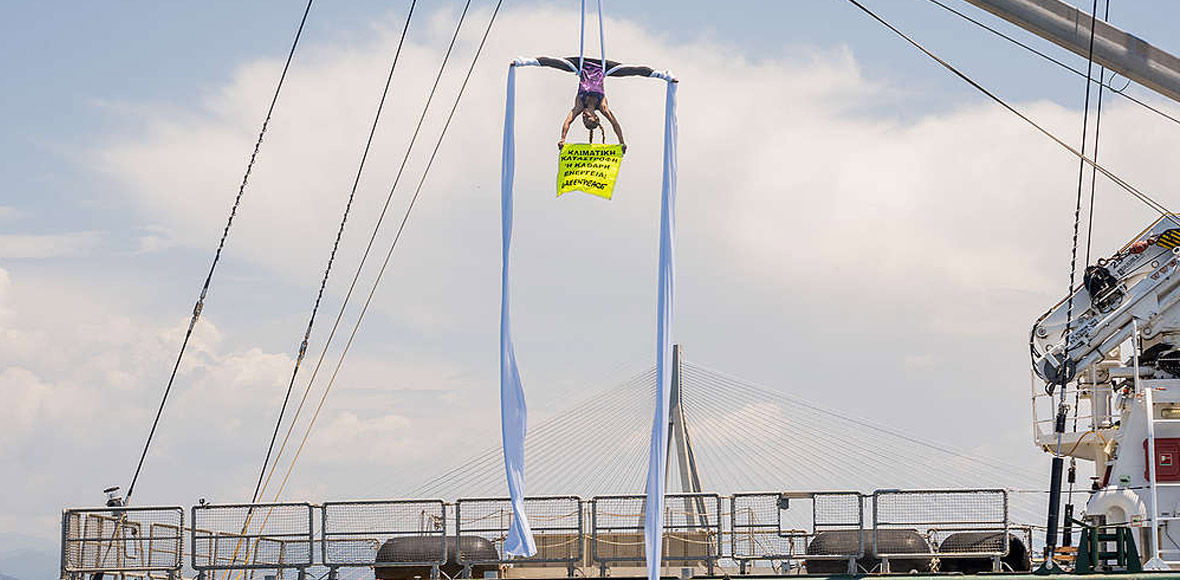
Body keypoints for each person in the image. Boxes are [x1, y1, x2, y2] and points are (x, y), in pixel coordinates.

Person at [558, 60, 626, 152]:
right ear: (596, 117)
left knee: (556, 63)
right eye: (588, 118)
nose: (584, 116)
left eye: (584, 120)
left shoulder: (580, 105)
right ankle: (648, 72)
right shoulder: (602, 106)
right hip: (601, 66)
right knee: (631, 70)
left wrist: (562, 138)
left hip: (583, 64)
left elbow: (568, 122)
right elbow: (614, 123)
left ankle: (537, 61)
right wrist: (621, 142)